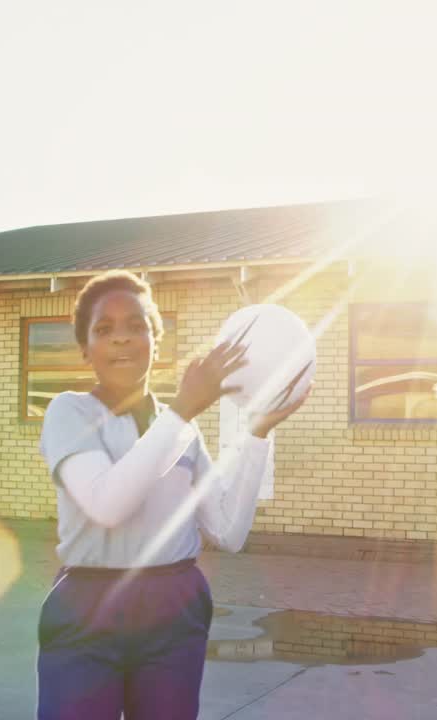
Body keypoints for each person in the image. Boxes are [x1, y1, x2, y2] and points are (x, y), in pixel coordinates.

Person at [36, 270, 307, 720]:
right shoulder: (69, 412)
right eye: (104, 329)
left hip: (174, 605)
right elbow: (107, 505)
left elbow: (228, 532)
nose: (121, 338)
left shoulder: (183, 430)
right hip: (87, 605)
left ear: (155, 342)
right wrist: (183, 409)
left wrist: (258, 432)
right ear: (85, 349)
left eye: (136, 325)